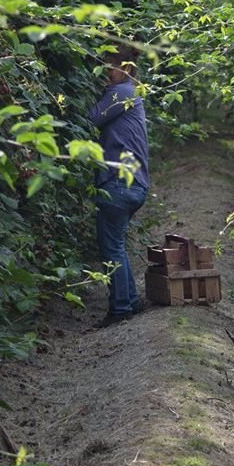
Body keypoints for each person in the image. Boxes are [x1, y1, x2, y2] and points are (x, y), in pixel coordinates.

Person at [88, 45, 150, 328]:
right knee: (117, 246)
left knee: (111, 248)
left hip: (119, 184)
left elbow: (91, 119)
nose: (102, 71)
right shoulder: (131, 94)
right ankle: (129, 301)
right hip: (133, 184)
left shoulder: (121, 93)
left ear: (123, 68)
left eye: (107, 66)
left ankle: (120, 308)